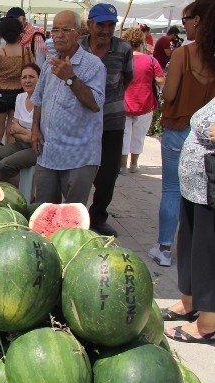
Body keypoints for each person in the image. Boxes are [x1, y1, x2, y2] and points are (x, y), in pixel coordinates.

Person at [149, 0, 215, 267]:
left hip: (179, 129)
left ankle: (164, 248)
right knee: (204, 194)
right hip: (208, 135)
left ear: (197, 21)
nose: (184, 24)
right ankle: (201, 250)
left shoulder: (183, 55)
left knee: (172, 190)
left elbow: (171, 93)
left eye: (186, 19)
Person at [30, 10, 106, 206]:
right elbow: (38, 98)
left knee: (72, 216)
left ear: (79, 33)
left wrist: (71, 78)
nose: (59, 35)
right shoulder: (49, 63)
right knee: (44, 209)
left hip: (78, 156)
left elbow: (95, 104)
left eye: (66, 30)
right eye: (55, 30)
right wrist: (35, 129)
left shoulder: (94, 65)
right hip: (48, 152)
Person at [79, 3, 134, 237]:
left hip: (111, 122)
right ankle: (76, 215)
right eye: (101, 24)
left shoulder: (123, 48)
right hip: (81, 122)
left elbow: (127, 78)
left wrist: (108, 101)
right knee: (78, 172)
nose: (105, 29)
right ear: (90, 24)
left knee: (108, 175)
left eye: (111, 25)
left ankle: (98, 216)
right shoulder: (78, 47)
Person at [0, 63, 40, 184]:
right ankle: (8, 188)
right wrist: (27, 134)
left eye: (31, 77)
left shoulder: (43, 100)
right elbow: (12, 131)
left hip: (37, 148)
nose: (27, 81)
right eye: (24, 77)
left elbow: (38, 138)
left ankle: (24, 192)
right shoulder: (20, 97)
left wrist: (22, 131)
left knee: (6, 164)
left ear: (40, 79)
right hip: (20, 143)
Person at [120, 27, 164, 174]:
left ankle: (123, 166)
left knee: (124, 135)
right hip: (145, 103)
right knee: (139, 136)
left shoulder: (122, 59)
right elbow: (159, 80)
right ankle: (134, 164)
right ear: (141, 42)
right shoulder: (151, 60)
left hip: (124, 102)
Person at [0, 17, 32, 146]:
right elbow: (30, 70)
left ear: (2, 34)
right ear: (19, 32)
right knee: (12, 130)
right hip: (19, 92)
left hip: (0, 93)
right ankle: (7, 158)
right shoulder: (26, 51)